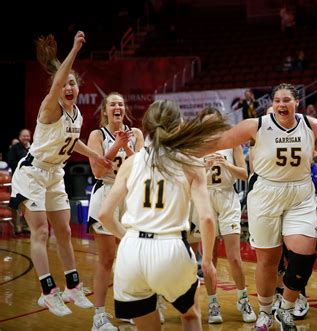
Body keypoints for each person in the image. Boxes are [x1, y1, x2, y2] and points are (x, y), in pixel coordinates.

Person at [202, 83, 317, 330]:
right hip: (266, 193)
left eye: (287, 100)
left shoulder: (312, 126)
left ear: (296, 103)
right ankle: (266, 310)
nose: (282, 104)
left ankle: (287, 308)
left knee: (303, 256)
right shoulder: (256, 125)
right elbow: (219, 141)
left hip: (300, 193)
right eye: (277, 100)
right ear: (272, 104)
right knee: (268, 261)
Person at [98, 99, 229, 331]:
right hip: (170, 249)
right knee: (190, 316)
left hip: (131, 253)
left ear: (146, 126)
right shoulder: (189, 162)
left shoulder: (131, 162)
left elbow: (105, 214)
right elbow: (207, 218)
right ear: (178, 125)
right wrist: (207, 262)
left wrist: (127, 237)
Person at [8, 31, 112, 317]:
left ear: (78, 87)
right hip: (33, 174)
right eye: (64, 84)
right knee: (41, 231)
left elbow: (72, 141)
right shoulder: (50, 106)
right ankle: (47, 292)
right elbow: (57, 81)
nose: (68, 87)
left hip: (54, 174)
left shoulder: (76, 113)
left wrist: (97, 155)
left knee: (64, 231)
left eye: (72, 84)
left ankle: (72, 286)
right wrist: (76, 49)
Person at [191, 107, 256, 325]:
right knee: (209, 259)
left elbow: (245, 174)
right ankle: (212, 302)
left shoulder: (232, 142)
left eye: (214, 124)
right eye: (207, 124)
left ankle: (243, 299)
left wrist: (225, 164)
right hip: (205, 199)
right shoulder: (197, 146)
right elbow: (190, 177)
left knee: (234, 257)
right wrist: (205, 166)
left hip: (228, 198)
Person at [86, 92, 144, 330]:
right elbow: (98, 172)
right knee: (107, 259)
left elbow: (142, 167)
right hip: (107, 194)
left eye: (121, 103)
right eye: (113, 104)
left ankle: (127, 308)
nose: (117, 107)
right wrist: (116, 146)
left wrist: (127, 147)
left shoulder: (137, 133)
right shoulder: (97, 135)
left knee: (130, 258)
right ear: (105, 110)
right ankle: (98, 316)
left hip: (129, 196)